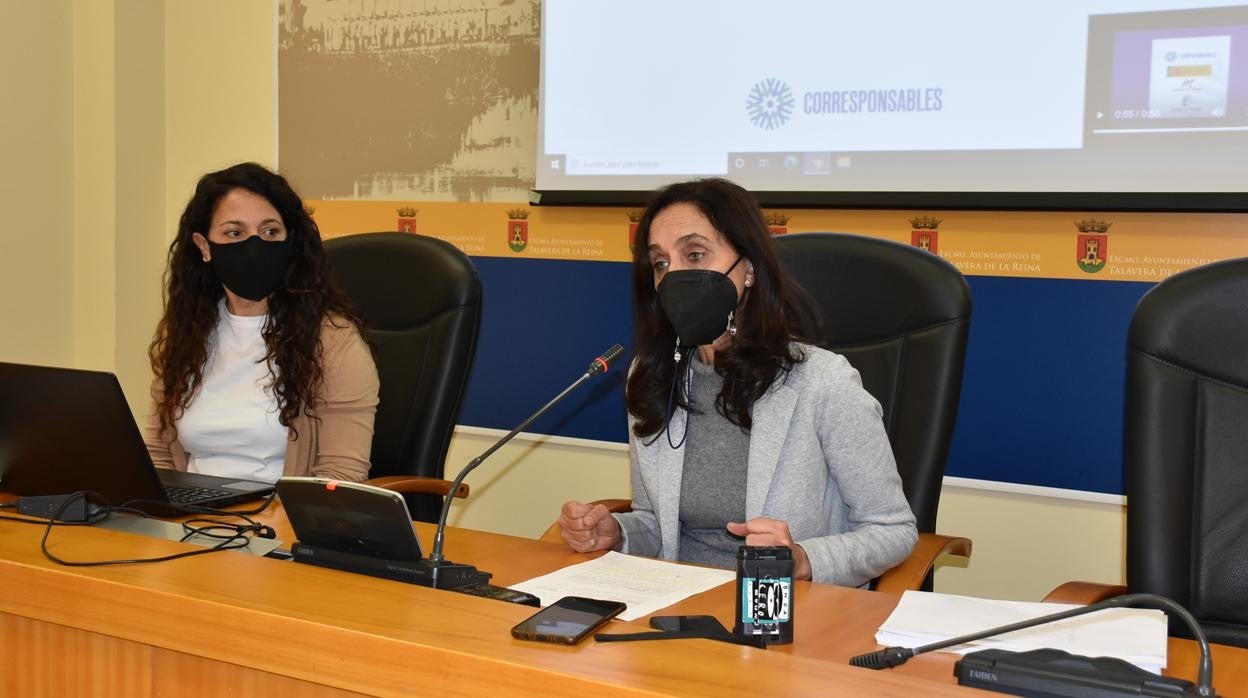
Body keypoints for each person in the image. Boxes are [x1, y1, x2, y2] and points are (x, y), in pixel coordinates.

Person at [554, 178, 917, 587]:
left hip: (785, 614)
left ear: (749, 269)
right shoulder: (653, 375)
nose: (674, 276)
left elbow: (893, 531)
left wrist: (802, 559)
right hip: (674, 600)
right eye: (660, 263)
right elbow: (658, 524)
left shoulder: (823, 382)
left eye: (694, 254)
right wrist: (618, 534)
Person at [145, 162, 378, 484]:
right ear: (204, 247)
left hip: (282, 522)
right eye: (234, 233)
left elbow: (340, 478)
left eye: (270, 232)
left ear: (289, 242)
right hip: (192, 520)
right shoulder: (188, 333)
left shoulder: (333, 341)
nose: (254, 246)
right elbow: (158, 454)